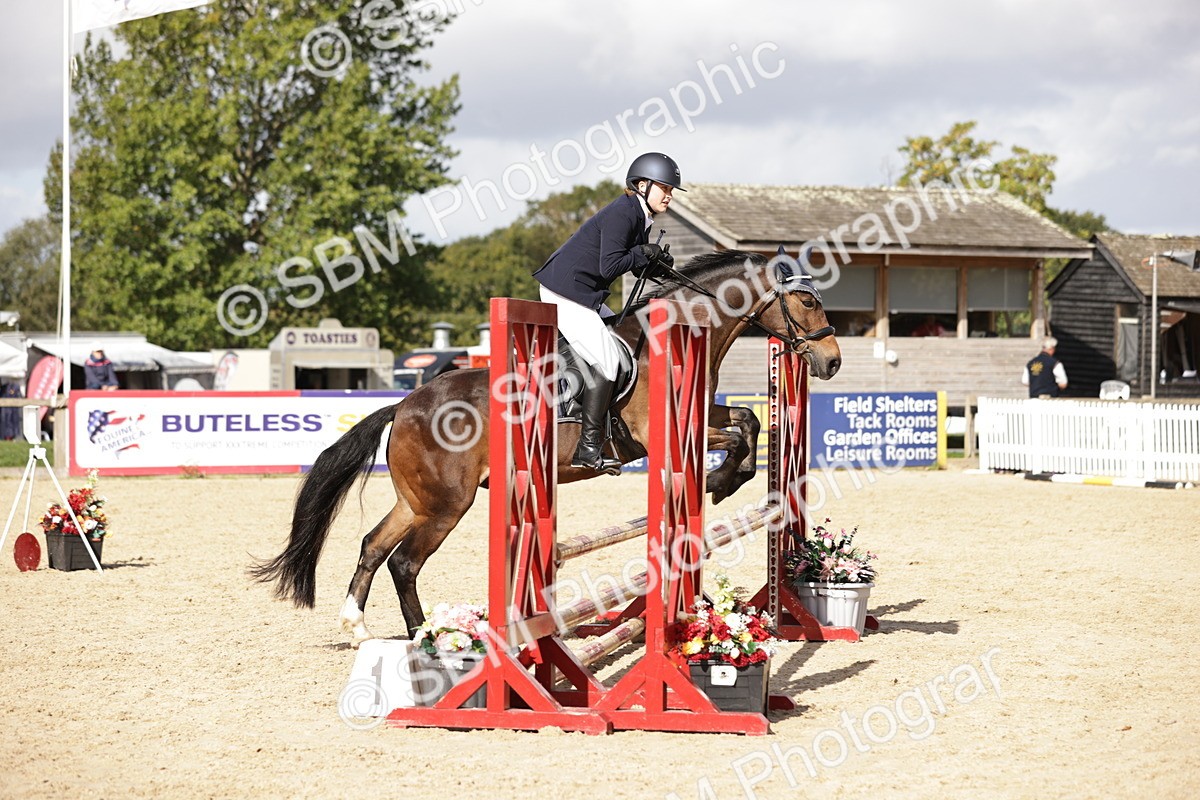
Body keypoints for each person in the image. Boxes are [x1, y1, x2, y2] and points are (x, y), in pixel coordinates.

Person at [532, 152, 681, 473]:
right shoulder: (623, 213)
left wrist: (660, 266)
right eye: (664, 188)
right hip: (567, 291)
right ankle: (587, 447)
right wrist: (643, 253)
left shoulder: (639, 215)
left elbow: (631, 261)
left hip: (586, 292)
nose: (669, 195)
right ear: (642, 185)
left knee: (618, 342)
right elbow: (611, 265)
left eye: (671, 190)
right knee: (609, 360)